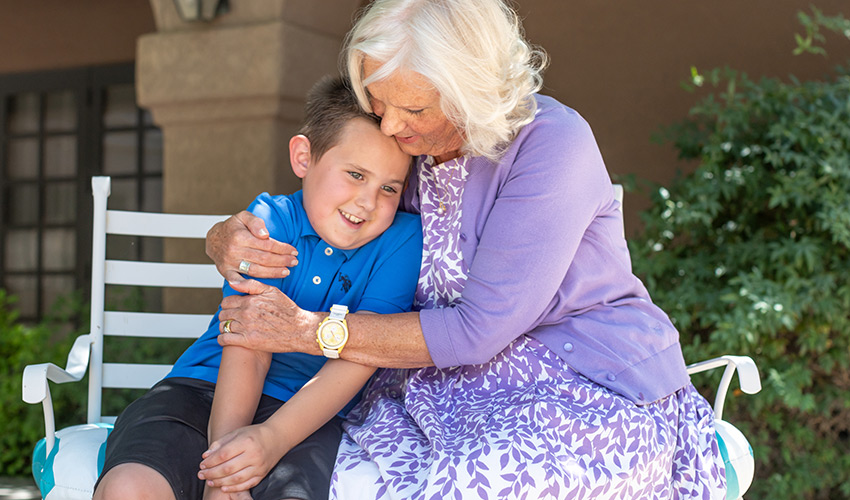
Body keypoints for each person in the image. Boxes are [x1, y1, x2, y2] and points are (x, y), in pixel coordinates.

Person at [205, 0, 727, 498]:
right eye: (377, 102)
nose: (389, 127)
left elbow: (478, 329)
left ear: (471, 91)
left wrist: (307, 331)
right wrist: (224, 236)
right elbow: (314, 208)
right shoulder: (412, 147)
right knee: (330, 482)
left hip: (581, 389)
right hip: (430, 395)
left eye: (412, 108)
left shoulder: (551, 143)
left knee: (482, 484)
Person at [92, 76, 423, 500]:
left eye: (389, 188)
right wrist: (222, 471)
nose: (367, 202)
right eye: (355, 174)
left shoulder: (400, 240)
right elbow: (248, 343)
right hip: (201, 391)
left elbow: (361, 353)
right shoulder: (270, 221)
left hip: (303, 417)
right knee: (129, 488)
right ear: (304, 158)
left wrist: (270, 439)